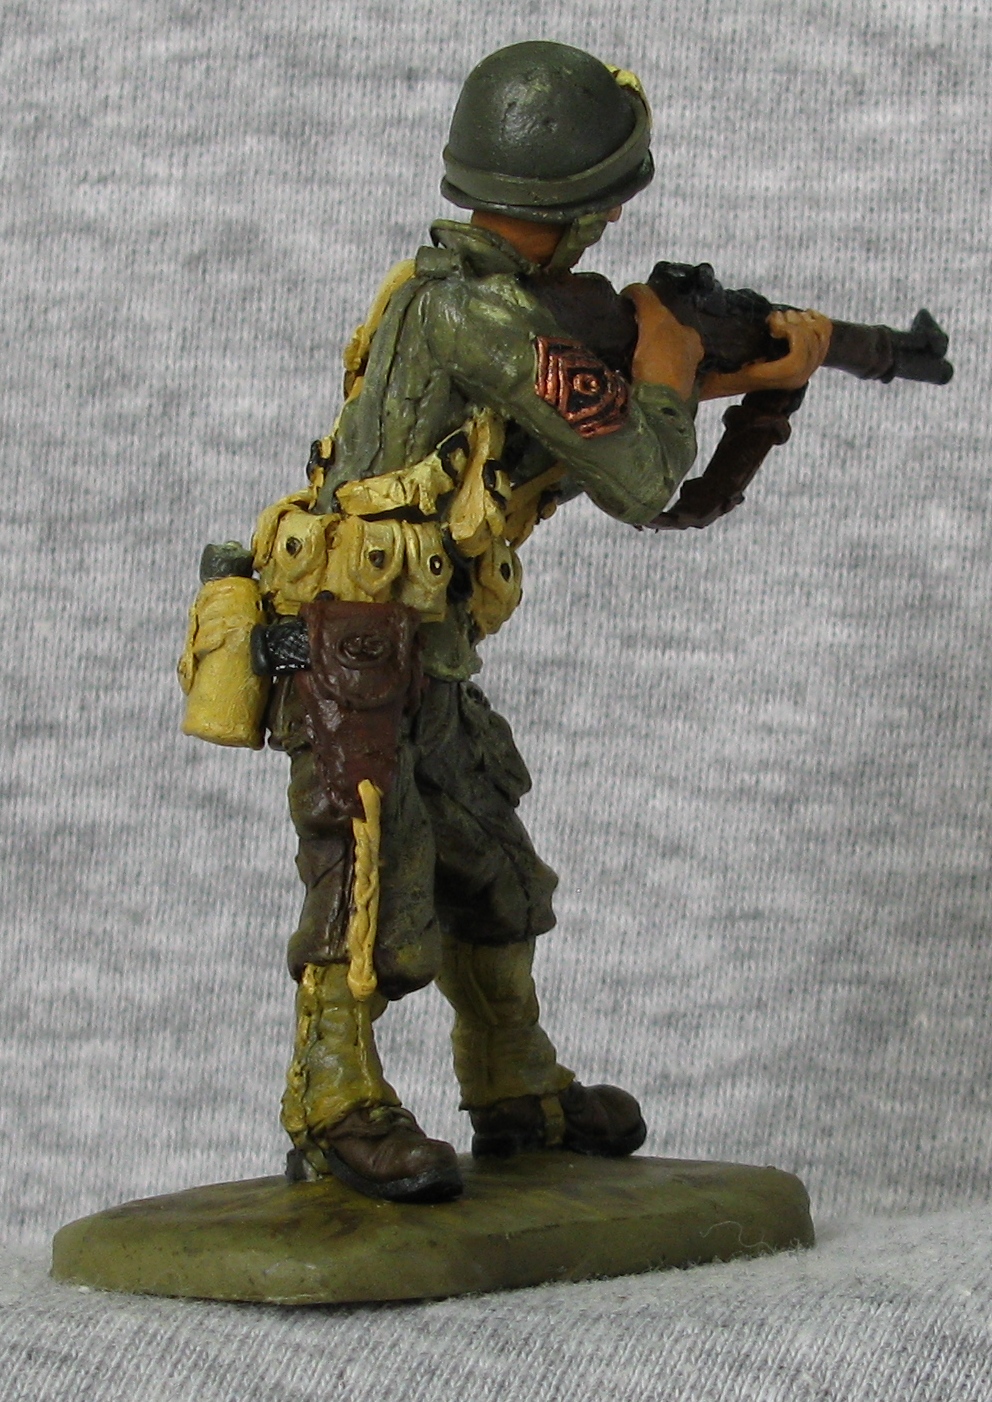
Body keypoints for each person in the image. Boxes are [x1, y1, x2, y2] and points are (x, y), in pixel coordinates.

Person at [180, 40, 829, 1204]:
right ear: (587, 203)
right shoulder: (476, 315)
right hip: (349, 644)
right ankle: (332, 1097)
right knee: (367, 871)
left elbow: (551, 437)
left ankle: (511, 1078)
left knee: (490, 864)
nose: (614, 220)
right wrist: (671, 360)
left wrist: (726, 383)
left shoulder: (483, 305)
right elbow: (643, 479)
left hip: (416, 647)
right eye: (610, 200)